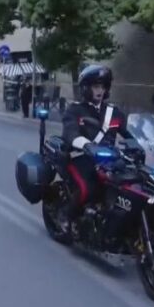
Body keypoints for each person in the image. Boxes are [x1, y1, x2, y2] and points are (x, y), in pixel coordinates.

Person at [60, 65, 132, 226]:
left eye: (103, 86)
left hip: (109, 160)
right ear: (86, 88)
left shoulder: (114, 112)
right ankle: (66, 217)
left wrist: (143, 146)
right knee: (88, 189)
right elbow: (70, 133)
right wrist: (86, 145)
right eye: (95, 86)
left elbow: (130, 133)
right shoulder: (75, 110)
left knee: (131, 188)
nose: (100, 90)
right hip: (82, 158)